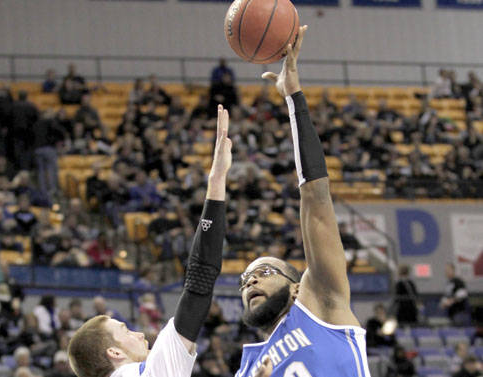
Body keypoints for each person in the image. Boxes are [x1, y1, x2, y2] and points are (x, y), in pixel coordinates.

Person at [67, 105, 274, 377]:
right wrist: (217, 180)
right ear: (115, 353)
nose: (140, 333)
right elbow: (200, 279)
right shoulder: (143, 372)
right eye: (126, 331)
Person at [235, 26, 371, 377]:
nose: (249, 282)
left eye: (263, 272)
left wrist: (293, 97)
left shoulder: (321, 302)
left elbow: (316, 200)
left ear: (296, 287)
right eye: (245, 280)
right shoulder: (246, 369)